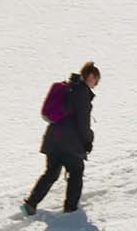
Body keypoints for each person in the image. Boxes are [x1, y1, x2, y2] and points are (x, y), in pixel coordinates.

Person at [25, 62, 98, 215]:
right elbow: (83, 122)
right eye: (96, 81)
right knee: (76, 172)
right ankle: (70, 209)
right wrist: (88, 140)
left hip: (53, 138)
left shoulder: (68, 87)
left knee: (51, 172)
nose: (95, 85)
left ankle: (31, 203)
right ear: (90, 76)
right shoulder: (82, 92)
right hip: (71, 142)